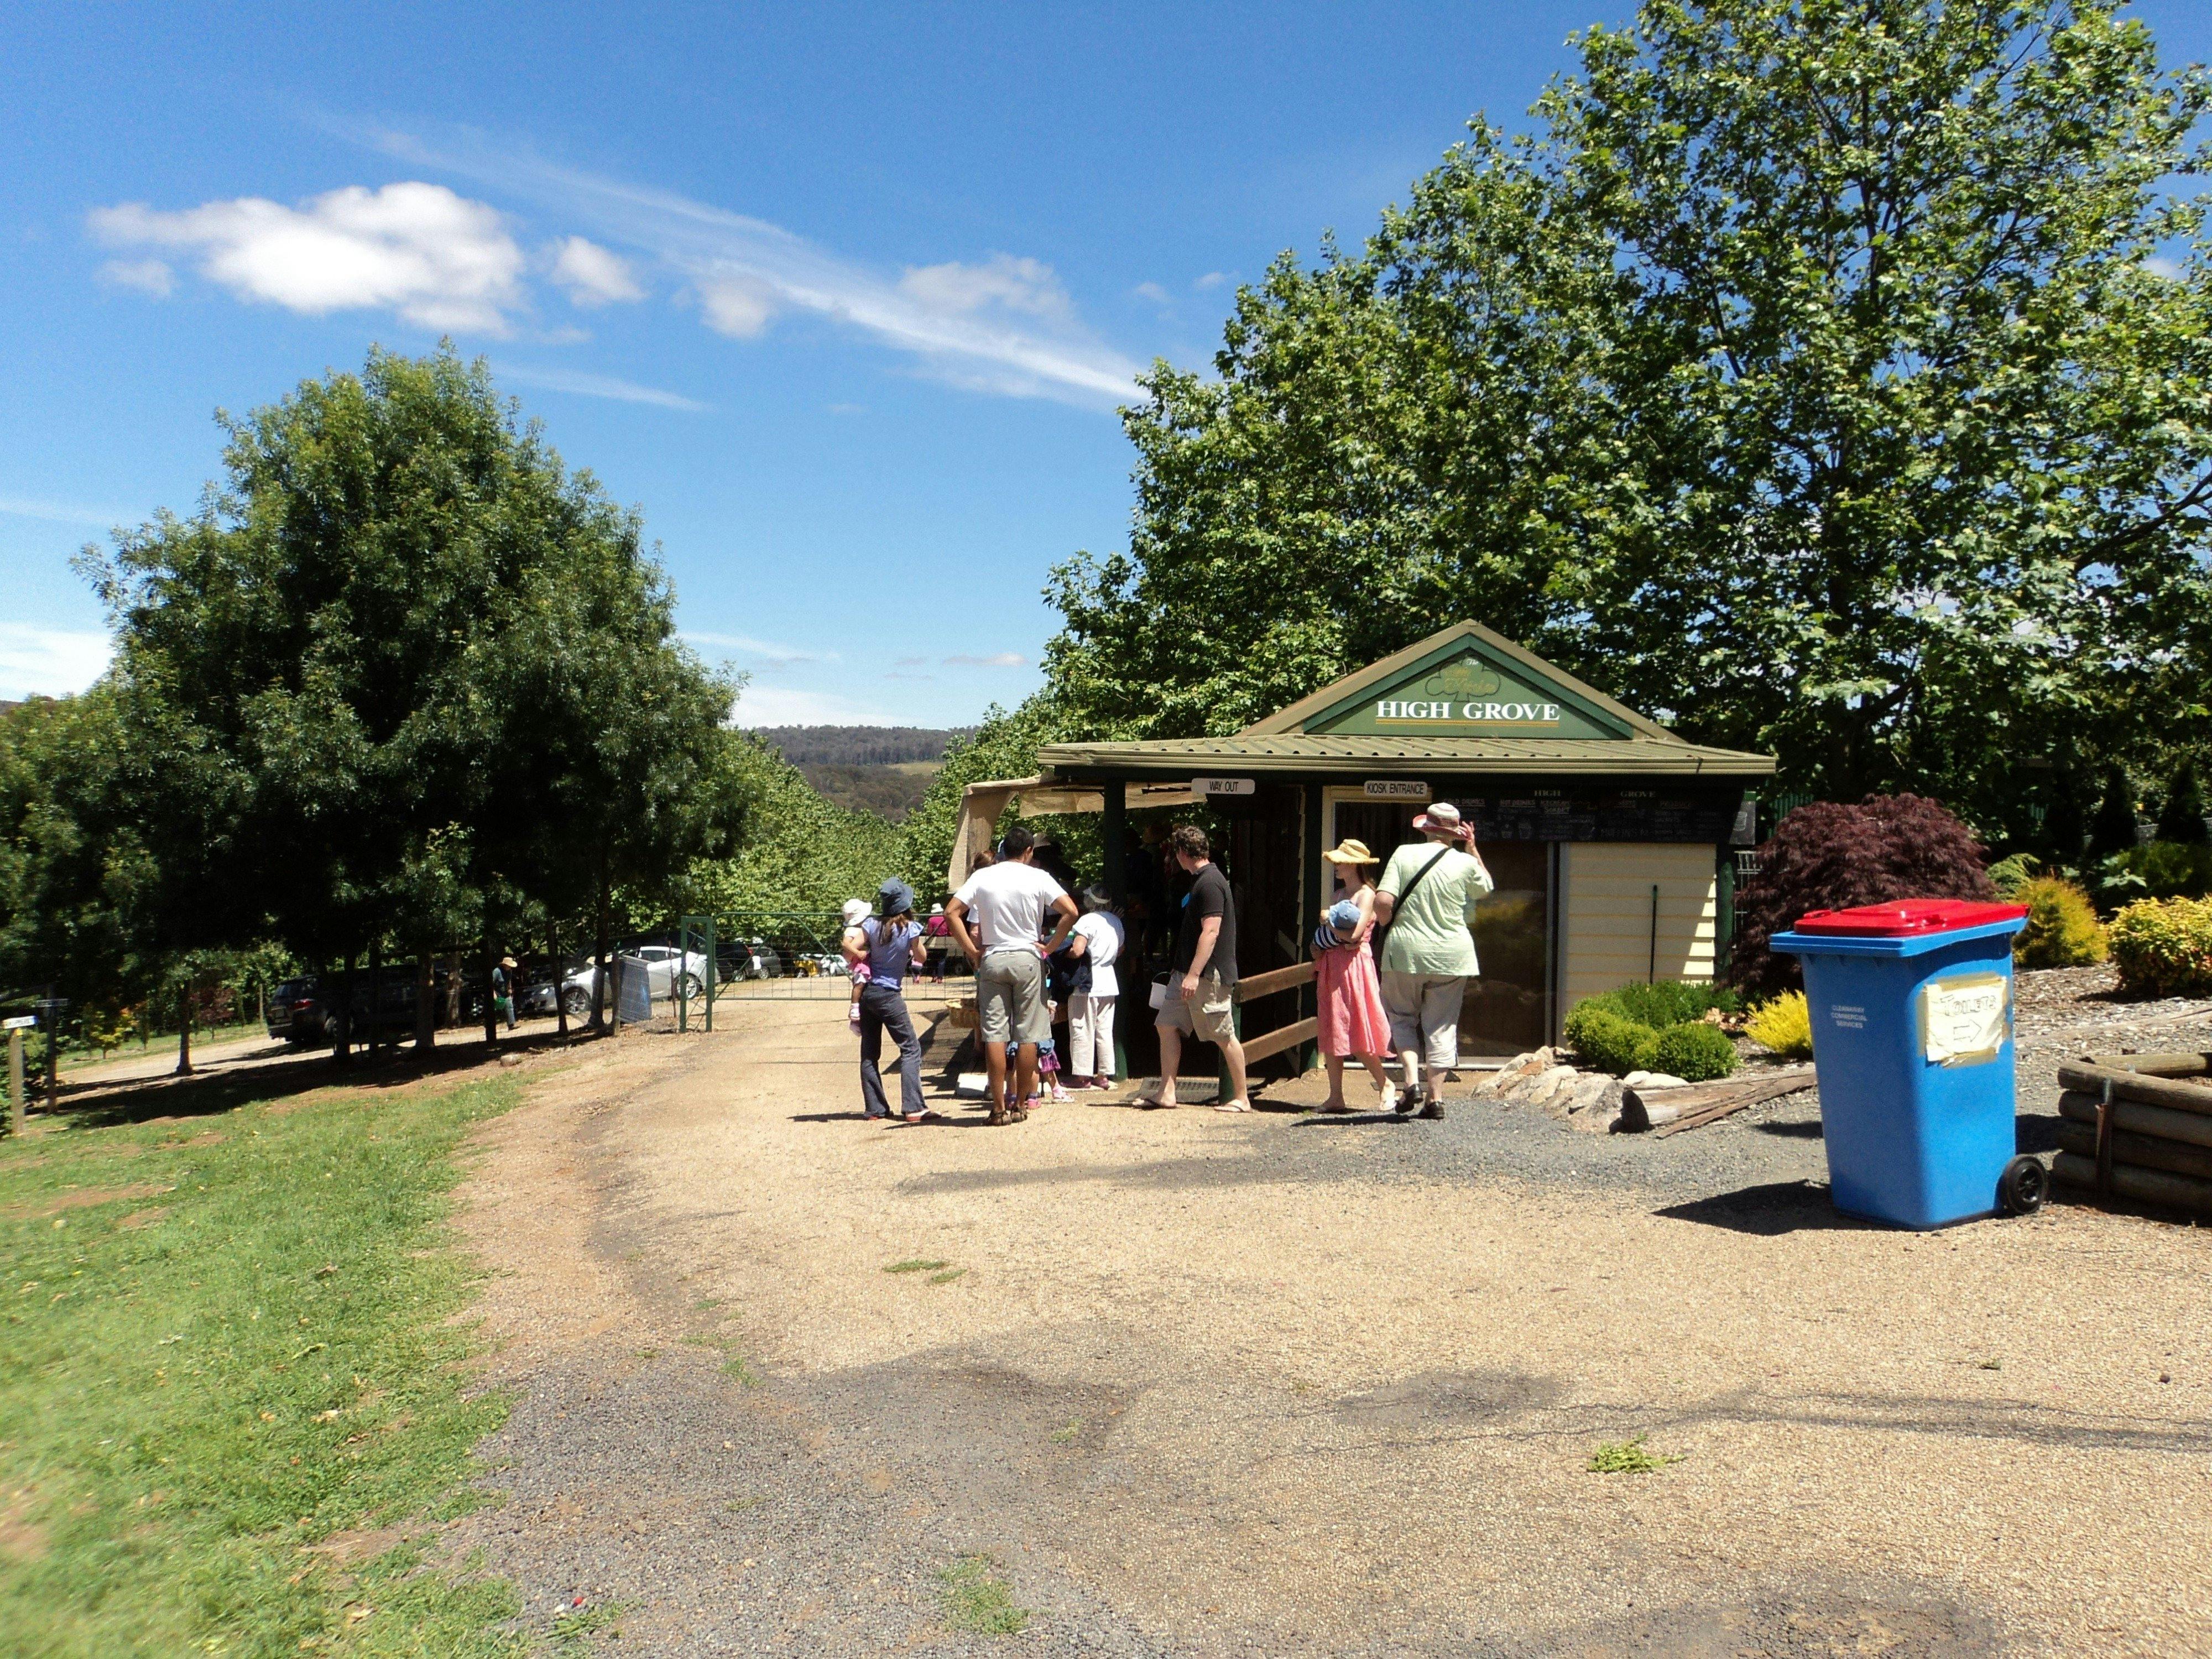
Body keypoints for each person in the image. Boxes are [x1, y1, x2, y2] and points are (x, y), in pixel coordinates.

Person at [947, 826, 1078, 1124]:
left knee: (995, 1034)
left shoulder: (982, 876)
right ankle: (1021, 1104)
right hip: (1028, 958)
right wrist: (1050, 947)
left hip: (992, 958)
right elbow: (1071, 911)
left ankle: (998, 1108)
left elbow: (951, 913)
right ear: (1030, 851)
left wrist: (973, 952)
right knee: (1028, 1034)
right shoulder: (1039, 877)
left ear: (1004, 848)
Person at [1372, 802, 1494, 1120]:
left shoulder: (1403, 855)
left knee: (1401, 1017)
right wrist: (1473, 848)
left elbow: (1383, 900)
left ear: (1426, 828)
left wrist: (1386, 923)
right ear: (1454, 833)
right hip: (1453, 954)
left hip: (1405, 952)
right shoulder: (1465, 863)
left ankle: (1411, 1080)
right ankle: (1435, 1099)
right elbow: (1486, 888)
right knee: (1441, 1026)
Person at [1136, 824, 1249, 1112]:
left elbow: (1211, 931)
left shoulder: (1210, 882)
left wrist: (1195, 975)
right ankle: (1167, 1092)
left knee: (1224, 1035)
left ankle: (1241, 1098)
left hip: (1206, 975)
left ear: (1183, 853)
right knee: (1166, 1025)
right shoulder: (1199, 880)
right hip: (1183, 974)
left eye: (1175, 853)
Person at [1312, 840, 1396, 1112]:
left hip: (1354, 968)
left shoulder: (1367, 894)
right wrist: (1321, 943)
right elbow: (1340, 936)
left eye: (1342, 862)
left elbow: (1356, 936)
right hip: (1332, 966)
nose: (1337, 866)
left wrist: (1329, 927)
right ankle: (1336, 1096)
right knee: (1332, 1030)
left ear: (1356, 865)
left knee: (1357, 1030)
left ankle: (1385, 1084)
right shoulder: (1338, 895)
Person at [847, 880, 930, 1122]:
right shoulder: (911, 928)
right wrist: (917, 952)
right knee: (910, 1047)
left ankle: (875, 1109)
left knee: (870, 1052)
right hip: (889, 995)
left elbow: (853, 944)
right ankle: (914, 1107)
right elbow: (921, 956)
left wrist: (861, 955)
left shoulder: (871, 924)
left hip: (867, 993)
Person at [1063, 885, 1124, 1089]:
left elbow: (1078, 950)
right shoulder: (1115, 921)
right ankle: (1104, 1075)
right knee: (1105, 1030)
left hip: (1088, 980)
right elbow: (1121, 949)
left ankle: (1082, 1076)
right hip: (1109, 980)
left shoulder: (1087, 920)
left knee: (1082, 1026)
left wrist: (1064, 954)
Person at [837, 897, 873, 1028]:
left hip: (865, 959)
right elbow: (845, 944)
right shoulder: (852, 931)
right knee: (860, 982)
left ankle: (857, 1020)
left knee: (862, 983)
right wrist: (857, 953)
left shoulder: (860, 928)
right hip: (860, 961)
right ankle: (854, 1007)